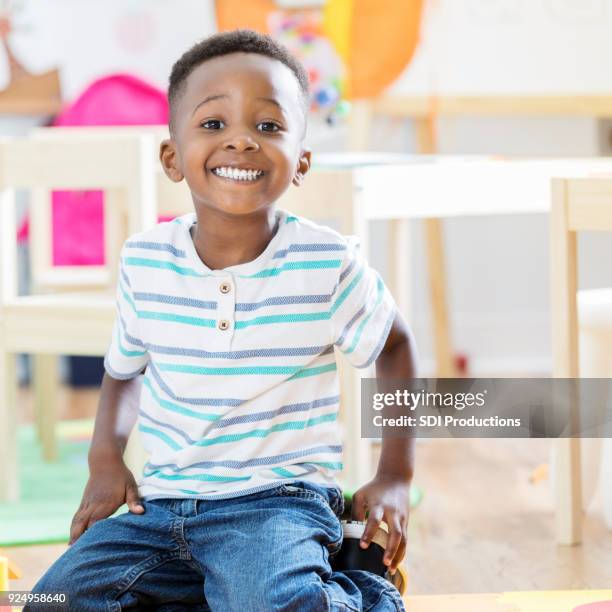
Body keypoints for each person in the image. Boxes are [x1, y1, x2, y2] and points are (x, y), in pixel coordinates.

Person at [29, 29, 417, 611]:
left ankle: (361, 584)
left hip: (277, 502)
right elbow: (123, 369)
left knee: (267, 599)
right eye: (213, 125)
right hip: (158, 508)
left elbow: (395, 348)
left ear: (301, 160)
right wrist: (105, 461)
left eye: (268, 126)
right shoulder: (145, 260)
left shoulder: (325, 260)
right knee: (55, 600)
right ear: (172, 157)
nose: (241, 141)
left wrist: (395, 474)